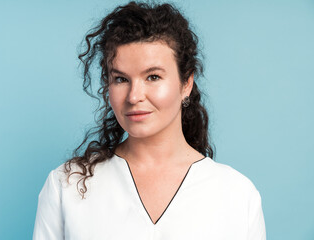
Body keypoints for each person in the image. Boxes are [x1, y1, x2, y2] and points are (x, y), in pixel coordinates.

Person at [33, 1, 266, 239]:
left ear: (186, 83)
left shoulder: (237, 195)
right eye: (121, 79)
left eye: (153, 77)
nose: (134, 96)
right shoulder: (67, 185)